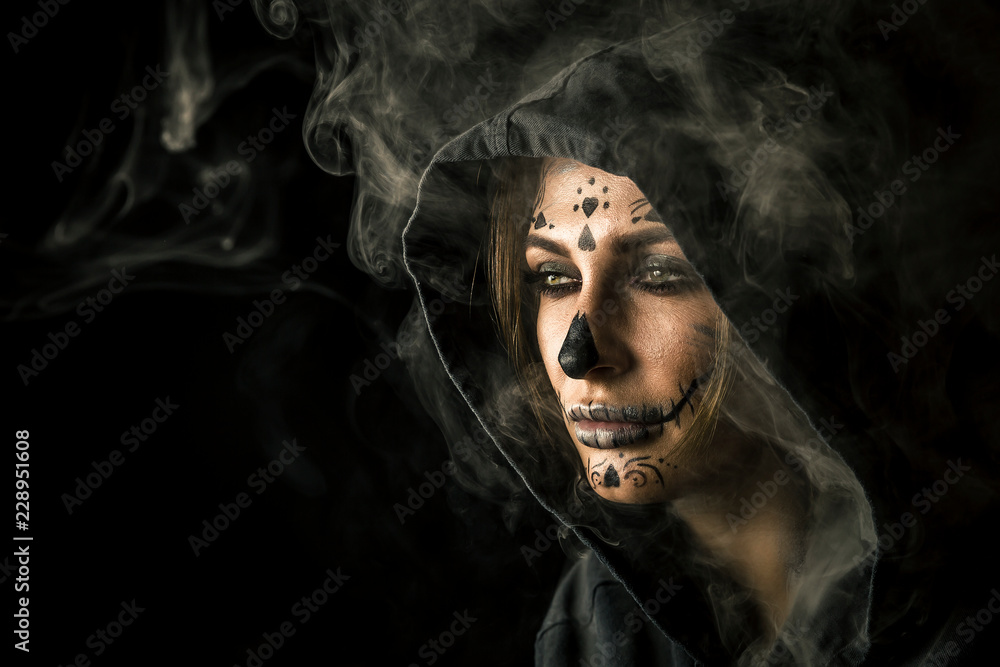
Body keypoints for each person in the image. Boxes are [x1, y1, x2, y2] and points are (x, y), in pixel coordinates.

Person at [399, 31, 997, 667]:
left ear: (798, 300)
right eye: (554, 279)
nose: (579, 353)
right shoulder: (596, 622)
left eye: (660, 275)